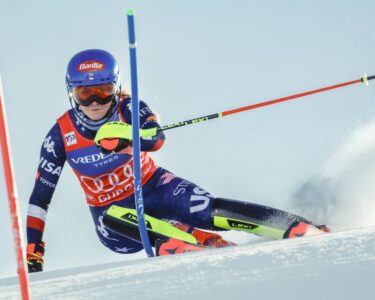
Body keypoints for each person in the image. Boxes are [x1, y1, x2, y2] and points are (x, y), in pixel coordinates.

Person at [26, 49, 328, 273]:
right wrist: (34, 245)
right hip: (112, 216)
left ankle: (294, 226)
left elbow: (156, 139)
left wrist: (126, 138)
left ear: (115, 89)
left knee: (206, 208)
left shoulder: (129, 107)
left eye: (103, 92)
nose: (94, 102)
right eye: (84, 93)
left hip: (154, 185)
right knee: (114, 217)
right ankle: (185, 240)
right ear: (71, 94)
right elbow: (41, 197)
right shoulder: (60, 134)